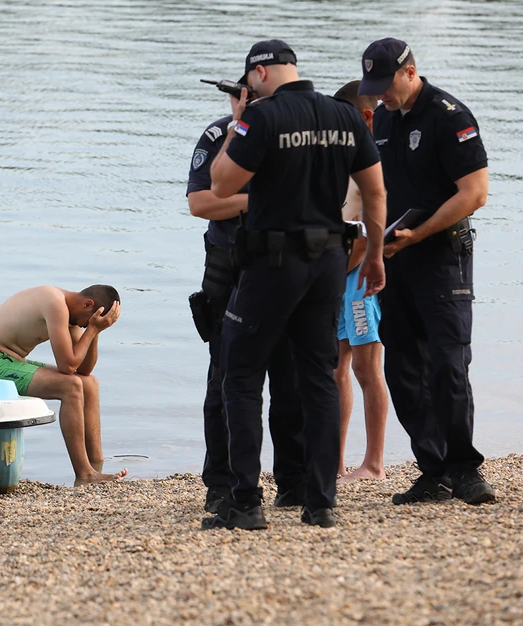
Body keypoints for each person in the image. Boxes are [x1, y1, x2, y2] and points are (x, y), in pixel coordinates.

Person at [204, 39, 387, 530]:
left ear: (259, 74)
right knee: (319, 378)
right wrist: (373, 256)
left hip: (273, 263)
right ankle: (320, 501)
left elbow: (221, 184)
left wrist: (238, 122)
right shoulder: (345, 116)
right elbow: (375, 190)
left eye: (248, 82)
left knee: (240, 375)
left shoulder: (260, 118)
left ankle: (245, 503)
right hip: (330, 262)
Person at [357, 38, 494, 505]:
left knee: (448, 367)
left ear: (411, 72)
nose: (379, 95)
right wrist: (377, 247)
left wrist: (421, 233)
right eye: (372, 88)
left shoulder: (449, 114)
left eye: (386, 85)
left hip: (442, 257)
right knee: (402, 368)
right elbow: (377, 193)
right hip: (398, 256)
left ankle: (464, 469)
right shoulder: (385, 118)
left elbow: (474, 193)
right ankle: (432, 469)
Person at [187, 90, 306, 513]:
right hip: (229, 271)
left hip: (287, 270)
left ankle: (293, 481)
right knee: (225, 384)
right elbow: (201, 203)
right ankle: (223, 484)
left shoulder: (297, 135)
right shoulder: (221, 133)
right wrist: (264, 203)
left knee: (291, 383)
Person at [0, 285, 127, 484]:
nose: (85, 327)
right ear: (88, 304)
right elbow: (67, 365)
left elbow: (85, 370)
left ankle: (96, 465)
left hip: (12, 362)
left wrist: (96, 331)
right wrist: (92, 329)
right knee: (71, 386)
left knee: (89, 384)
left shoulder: (73, 314)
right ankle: (85, 473)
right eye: (88, 323)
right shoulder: (54, 302)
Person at [331, 81, 390, 483]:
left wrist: (341, 274)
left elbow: (372, 231)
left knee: (367, 369)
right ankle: (334, 462)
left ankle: (374, 464)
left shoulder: (373, 161)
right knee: (335, 369)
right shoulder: (343, 156)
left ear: (364, 117)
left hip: (357, 276)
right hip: (334, 272)